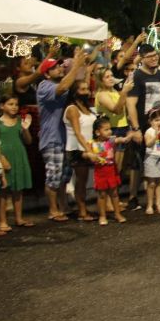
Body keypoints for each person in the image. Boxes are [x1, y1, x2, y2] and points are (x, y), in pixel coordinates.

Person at [125, 44, 160, 208]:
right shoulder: (136, 76)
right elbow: (131, 104)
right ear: (142, 58)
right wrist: (135, 128)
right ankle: (133, 196)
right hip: (143, 127)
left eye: (155, 55)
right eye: (150, 56)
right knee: (138, 161)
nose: (154, 58)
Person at [37, 49, 86, 222]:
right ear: (46, 74)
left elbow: (73, 84)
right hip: (52, 139)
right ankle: (53, 209)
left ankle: (63, 206)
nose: (59, 69)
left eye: (60, 66)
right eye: (55, 68)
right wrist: (76, 66)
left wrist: (80, 65)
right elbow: (64, 86)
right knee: (53, 176)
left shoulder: (61, 84)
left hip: (64, 139)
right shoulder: (44, 86)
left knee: (64, 176)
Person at [0, 95, 35, 230]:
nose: (14, 107)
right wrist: (1, 158)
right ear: (2, 106)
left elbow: (28, 141)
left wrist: (25, 129)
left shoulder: (19, 121)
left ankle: (19, 218)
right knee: (3, 191)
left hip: (19, 156)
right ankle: (2, 221)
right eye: (10, 104)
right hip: (4, 158)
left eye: (16, 104)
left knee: (18, 189)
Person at [87, 117, 131, 225]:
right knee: (102, 195)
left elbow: (120, 140)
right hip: (100, 171)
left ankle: (117, 213)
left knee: (114, 193)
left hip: (111, 170)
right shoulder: (91, 143)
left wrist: (128, 136)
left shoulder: (110, 140)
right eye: (106, 129)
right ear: (97, 132)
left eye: (110, 129)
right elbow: (84, 153)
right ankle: (102, 215)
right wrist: (89, 155)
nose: (109, 131)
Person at [63, 80, 97, 221]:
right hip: (77, 148)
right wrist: (88, 149)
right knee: (81, 181)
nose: (86, 92)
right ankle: (82, 211)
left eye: (87, 89)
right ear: (75, 92)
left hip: (89, 146)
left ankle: (84, 209)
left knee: (85, 180)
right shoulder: (72, 109)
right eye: (82, 89)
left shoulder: (86, 107)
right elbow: (77, 132)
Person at [143, 109, 160, 215]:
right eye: (156, 120)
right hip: (151, 158)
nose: (159, 122)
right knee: (151, 183)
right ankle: (150, 204)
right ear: (150, 121)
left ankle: (158, 203)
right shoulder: (149, 131)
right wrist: (156, 136)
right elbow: (148, 144)